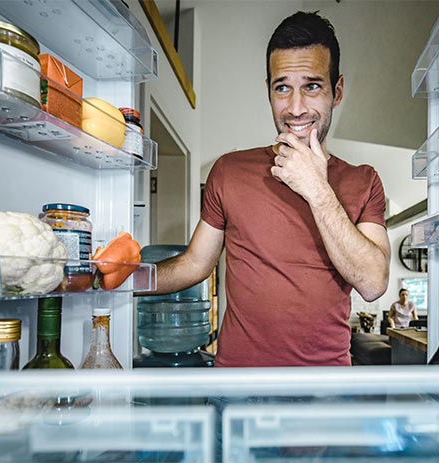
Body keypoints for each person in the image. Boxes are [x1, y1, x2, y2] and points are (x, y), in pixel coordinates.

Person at [154, 11, 390, 367]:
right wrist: (125, 279)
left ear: (336, 91)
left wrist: (317, 188)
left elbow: (373, 283)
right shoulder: (228, 171)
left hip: (325, 393)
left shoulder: (364, 180)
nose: (295, 108)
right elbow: (194, 264)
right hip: (238, 387)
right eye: (282, 87)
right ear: (268, 91)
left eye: (312, 86)